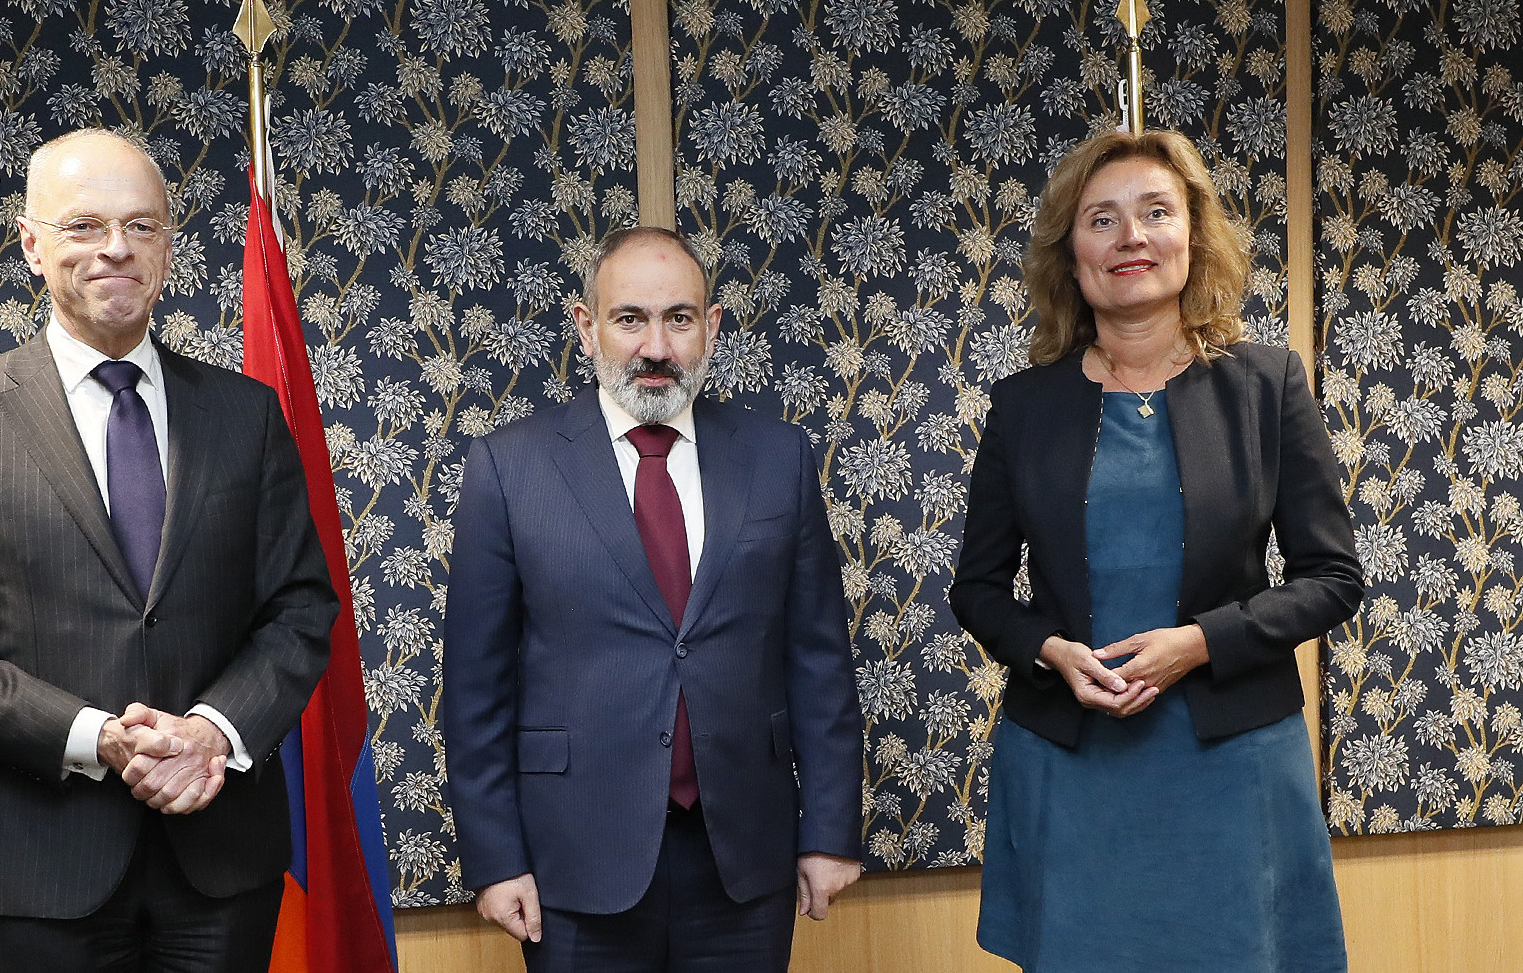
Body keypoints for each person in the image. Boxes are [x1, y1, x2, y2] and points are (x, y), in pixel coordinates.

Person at [0, 129, 337, 972]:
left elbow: (300, 609)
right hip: (40, 866)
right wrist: (97, 736)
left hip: (222, 861)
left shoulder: (246, 414)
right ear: (31, 244)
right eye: (84, 225)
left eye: (140, 226)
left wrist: (210, 731)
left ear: (167, 246)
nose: (115, 247)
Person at [949, 130, 1362, 973]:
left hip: (1233, 765)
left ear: (1193, 236)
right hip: (1070, 765)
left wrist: (1202, 642)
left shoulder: (1268, 384)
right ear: (1071, 254)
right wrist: (1049, 649)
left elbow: (1332, 577)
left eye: (1156, 212)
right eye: (1102, 219)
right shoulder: (1022, 407)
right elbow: (978, 589)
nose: (1130, 236)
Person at [444, 226, 863, 971]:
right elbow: (476, 686)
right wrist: (495, 857)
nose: (656, 346)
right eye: (630, 318)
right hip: (574, 861)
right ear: (587, 327)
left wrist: (829, 830)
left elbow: (820, 660)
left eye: (679, 319)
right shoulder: (510, 467)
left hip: (745, 860)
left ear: (712, 327)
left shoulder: (779, 458)